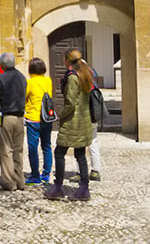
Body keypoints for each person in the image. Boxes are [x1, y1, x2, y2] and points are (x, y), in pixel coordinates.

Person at [45, 49, 94, 201]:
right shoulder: (85, 74)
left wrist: (61, 115)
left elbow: (70, 103)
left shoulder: (73, 78)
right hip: (83, 121)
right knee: (80, 154)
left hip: (72, 122)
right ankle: (84, 188)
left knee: (59, 153)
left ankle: (58, 187)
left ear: (67, 60)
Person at [0, 52, 27, 191]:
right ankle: (20, 180)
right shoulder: (22, 77)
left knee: (6, 150)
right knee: (18, 149)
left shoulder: (0, 78)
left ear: (1, 64)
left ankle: (9, 181)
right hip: (20, 116)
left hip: (6, 116)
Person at [23, 57, 53, 185]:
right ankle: (46, 174)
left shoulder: (30, 82)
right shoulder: (48, 80)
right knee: (46, 146)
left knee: (33, 148)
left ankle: (35, 175)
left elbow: (25, 97)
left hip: (33, 118)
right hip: (46, 118)